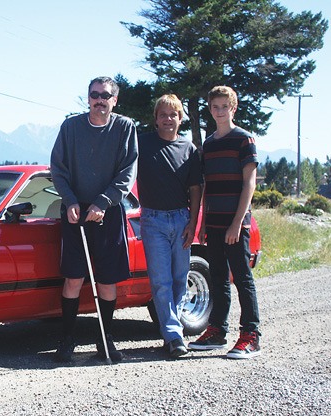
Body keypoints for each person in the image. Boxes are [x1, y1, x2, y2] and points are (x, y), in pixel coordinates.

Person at [50, 76, 138, 363]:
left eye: (106, 95)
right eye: (94, 94)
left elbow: (127, 172)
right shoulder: (71, 127)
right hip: (75, 211)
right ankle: (67, 340)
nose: (100, 100)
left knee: (107, 279)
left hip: (108, 211)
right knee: (73, 277)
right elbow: (58, 168)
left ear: (115, 100)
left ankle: (105, 339)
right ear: (88, 98)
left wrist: (104, 201)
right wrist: (70, 200)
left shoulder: (125, 127)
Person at [188, 85, 261, 359]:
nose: (220, 111)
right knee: (218, 278)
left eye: (224, 106)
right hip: (214, 224)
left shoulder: (244, 140)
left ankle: (251, 335)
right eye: (215, 107)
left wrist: (236, 223)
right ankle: (217, 330)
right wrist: (205, 222)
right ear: (210, 109)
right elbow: (207, 185)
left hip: (235, 224)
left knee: (242, 278)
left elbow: (249, 184)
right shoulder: (209, 143)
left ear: (234, 107)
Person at [137, 94, 202, 359]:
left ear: (180, 118)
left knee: (179, 279)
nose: (168, 119)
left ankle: (172, 330)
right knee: (161, 282)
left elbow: (196, 189)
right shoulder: (142, 144)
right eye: (163, 114)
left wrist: (193, 223)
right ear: (156, 119)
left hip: (181, 219)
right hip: (152, 220)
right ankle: (174, 336)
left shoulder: (189, 150)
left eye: (173, 114)